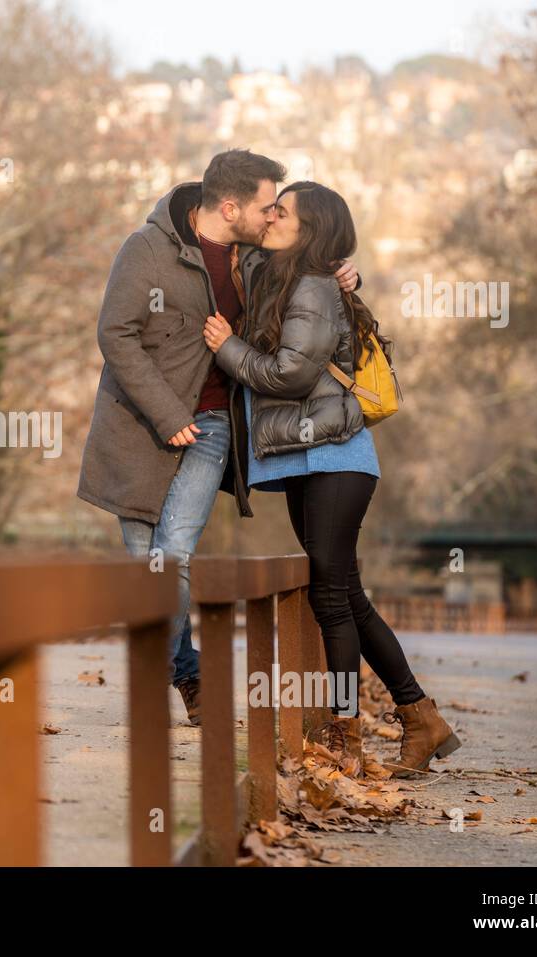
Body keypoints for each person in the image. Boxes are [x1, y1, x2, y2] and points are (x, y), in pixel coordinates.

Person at [76, 150, 359, 726]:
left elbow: (308, 283)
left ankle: (151, 681)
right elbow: (116, 335)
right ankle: (189, 673)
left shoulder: (255, 257)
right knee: (145, 570)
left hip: (211, 428)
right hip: (137, 431)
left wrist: (345, 273)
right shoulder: (147, 250)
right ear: (230, 207)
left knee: (173, 555)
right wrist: (162, 412)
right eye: (265, 205)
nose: (273, 215)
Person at [203, 181, 461, 777]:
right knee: (346, 596)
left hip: (336, 459)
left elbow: (292, 373)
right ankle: (421, 719)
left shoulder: (314, 287)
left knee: (330, 597)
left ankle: (346, 737)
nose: (271, 217)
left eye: (283, 212)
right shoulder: (289, 277)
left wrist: (228, 349)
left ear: (310, 229)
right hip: (308, 457)